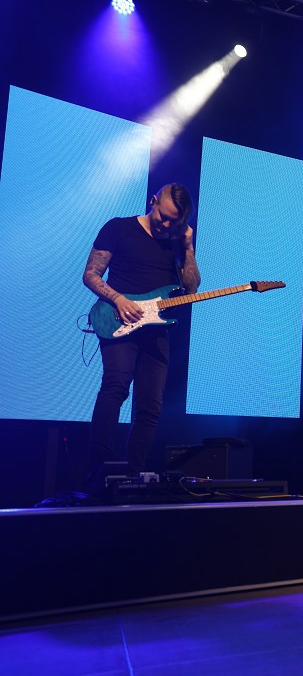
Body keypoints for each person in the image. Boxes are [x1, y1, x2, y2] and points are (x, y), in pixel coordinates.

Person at [83, 183, 200, 481]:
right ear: (153, 202)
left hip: (155, 328)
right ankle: (100, 468)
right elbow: (91, 274)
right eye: (165, 216)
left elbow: (191, 287)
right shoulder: (119, 229)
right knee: (116, 385)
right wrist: (119, 299)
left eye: (176, 221)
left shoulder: (176, 243)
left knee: (151, 404)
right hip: (118, 319)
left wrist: (187, 246)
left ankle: (133, 474)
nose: (168, 224)